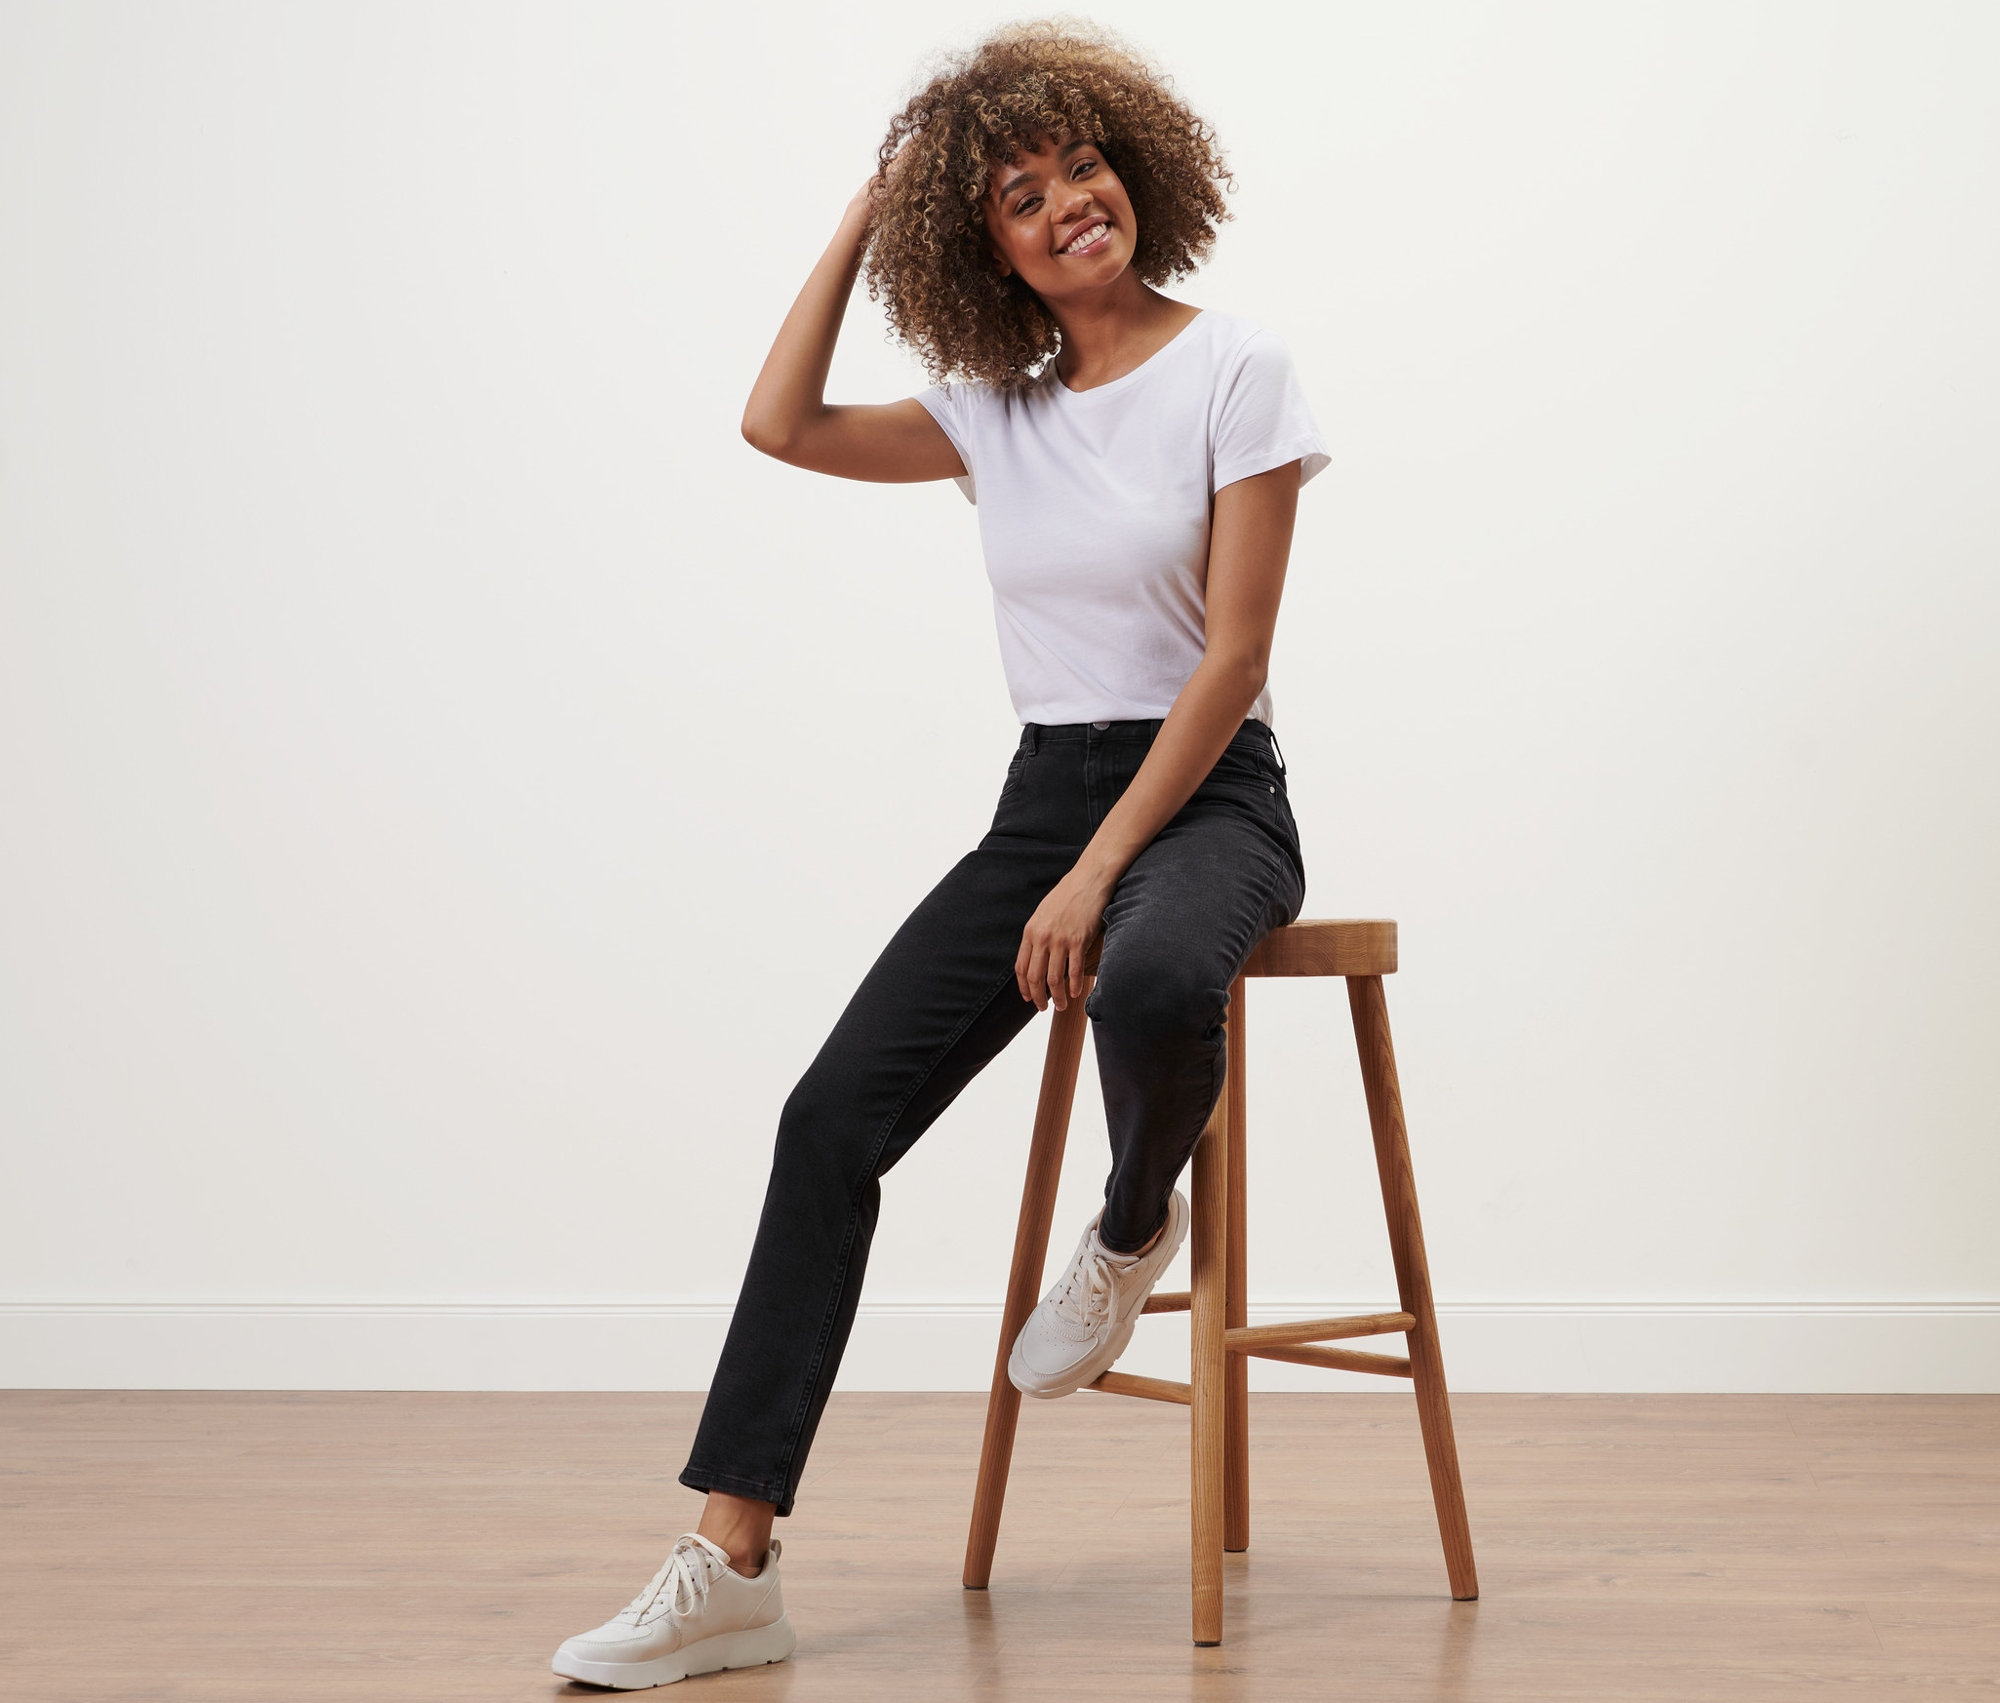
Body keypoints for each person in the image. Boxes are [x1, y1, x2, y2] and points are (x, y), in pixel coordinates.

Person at [552, 19, 1327, 1688]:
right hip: (1045, 798)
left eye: (1081, 170)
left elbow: (1234, 660)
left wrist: (1097, 873)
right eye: (1018, 198)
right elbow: (778, 424)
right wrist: (864, 215)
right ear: (978, 251)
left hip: (1209, 794)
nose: (1067, 207)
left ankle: (1128, 1232)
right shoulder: (994, 412)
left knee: (1158, 969)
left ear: (1139, 169)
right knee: (829, 1121)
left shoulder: (1236, 367)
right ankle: (730, 1557)